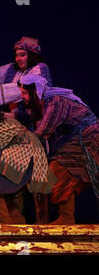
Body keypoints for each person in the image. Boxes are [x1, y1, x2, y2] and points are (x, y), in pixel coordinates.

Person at [14, 74, 98, 224]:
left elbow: (42, 132)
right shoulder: (44, 104)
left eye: (25, 93)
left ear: (35, 92)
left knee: (58, 170)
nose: (23, 97)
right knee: (52, 172)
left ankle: (66, 218)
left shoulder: (55, 102)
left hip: (88, 137)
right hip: (73, 140)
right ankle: (49, 221)